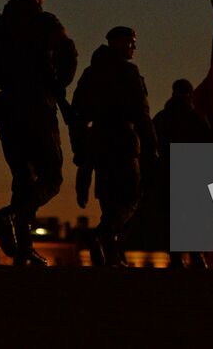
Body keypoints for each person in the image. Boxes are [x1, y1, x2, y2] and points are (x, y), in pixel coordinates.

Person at [0, 0, 77, 265]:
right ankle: (12, 216)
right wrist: (58, 85)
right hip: (37, 105)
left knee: (23, 178)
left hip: (8, 106)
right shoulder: (45, 23)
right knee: (51, 176)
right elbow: (68, 53)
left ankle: (24, 248)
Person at [70, 26, 156, 267]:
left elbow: (77, 115)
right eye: (131, 42)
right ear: (117, 43)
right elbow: (142, 114)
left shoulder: (90, 74)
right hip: (123, 143)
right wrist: (152, 146)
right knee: (130, 196)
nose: (134, 47)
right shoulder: (128, 72)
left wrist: (81, 150)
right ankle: (102, 237)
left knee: (109, 201)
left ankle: (109, 253)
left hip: (99, 144)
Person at [151, 78, 213, 268]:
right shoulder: (198, 118)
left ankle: (176, 256)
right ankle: (196, 255)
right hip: (192, 174)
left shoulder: (161, 118)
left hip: (167, 173)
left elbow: (152, 144)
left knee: (170, 216)